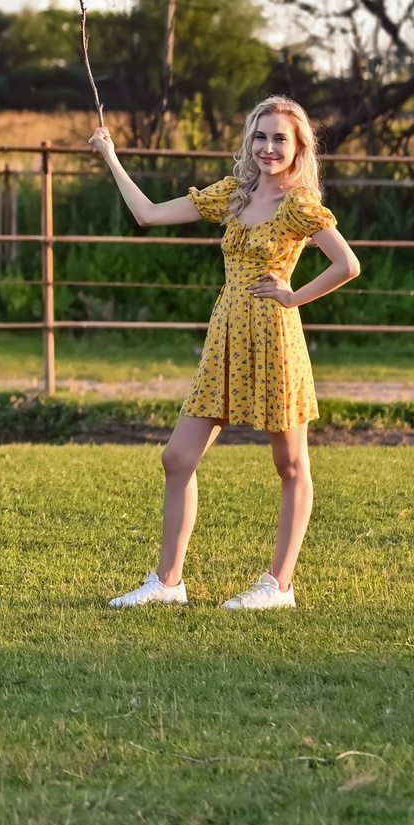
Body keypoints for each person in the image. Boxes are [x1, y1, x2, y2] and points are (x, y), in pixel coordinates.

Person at [87, 96, 360, 610]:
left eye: (280, 138)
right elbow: (147, 215)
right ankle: (168, 584)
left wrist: (294, 295)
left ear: (299, 146)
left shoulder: (300, 204)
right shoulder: (235, 193)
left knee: (291, 465)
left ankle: (279, 586)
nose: (268, 147)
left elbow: (347, 264)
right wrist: (111, 157)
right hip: (227, 337)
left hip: (275, 339)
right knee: (178, 458)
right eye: (260, 136)